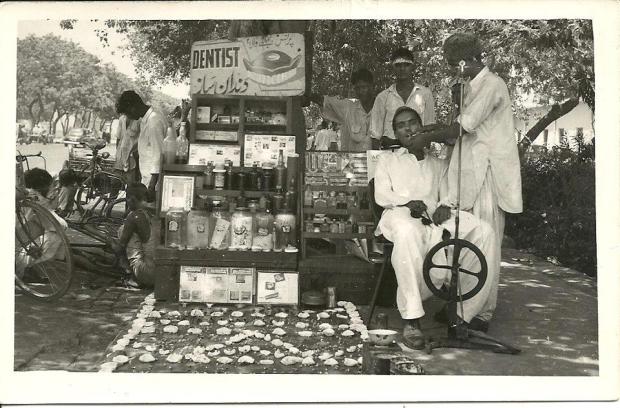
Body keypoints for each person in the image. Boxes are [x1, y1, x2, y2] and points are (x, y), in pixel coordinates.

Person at [412, 33, 523, 330]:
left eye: (451, 64)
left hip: (486, 176)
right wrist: (437, 121)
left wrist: (423, 136)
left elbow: (460, 129)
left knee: (486, 245)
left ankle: (479, 313)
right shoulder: (469, 87)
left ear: (463, 60)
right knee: (462, 241)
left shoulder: (492, 85)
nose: (451, 70)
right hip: (466, 175)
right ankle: (458, 304)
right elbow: (454, 126)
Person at [374, 106, 498, 349]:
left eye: (412, 123)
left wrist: (444, 204)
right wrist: (406, 202)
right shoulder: (387, 160)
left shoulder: (437, 163)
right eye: (401, 125)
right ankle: (412, 318)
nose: (408, 128)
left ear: (422, 127)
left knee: (484, 231)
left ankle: (462, 313)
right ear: (396, 134)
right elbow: (381, 194)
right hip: (399, 213)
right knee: (408, 234)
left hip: (433, 216)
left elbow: (446, 194)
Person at [370, 47, 436, 149]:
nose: (402, 69)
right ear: (393, 68)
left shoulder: (425, 94)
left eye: (406, 65)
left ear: (413, 67)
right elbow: (375, 136)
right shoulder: (383, 97)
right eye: (398, 65)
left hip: (417, 153)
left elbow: (429, 127)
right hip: (391, 153)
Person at [15, 168, 70, 277]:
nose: (52, 188)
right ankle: (22, 268)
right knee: (57, 233)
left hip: (26, 234)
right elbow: (59, 224)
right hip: (21, 240)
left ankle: (25, 267)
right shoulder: (35, 199)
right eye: (49, 186)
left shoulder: (33, 198)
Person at [115, 91, 167, 201]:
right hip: (147, 179)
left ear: (133, 107)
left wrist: (151, 187)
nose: (129, 117)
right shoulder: (145, 119)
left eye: (128, 113)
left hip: (153, 184)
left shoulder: (154, 121)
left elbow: (158, 155)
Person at [310, 68, 375, 152]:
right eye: (357, 88)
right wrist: (306, 94)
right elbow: (325, 101)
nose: (360, 91)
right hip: (353, 163)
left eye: (364, 87)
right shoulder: (348, 107)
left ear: (372, 86)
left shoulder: (382, 107)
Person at [108, 183, 155, 288]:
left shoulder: (134, 217)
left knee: (123, 233)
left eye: (127, 199)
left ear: (131, 199)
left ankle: (130, 274)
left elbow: (120, 247)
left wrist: (111, 243)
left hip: (146, 273)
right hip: (161, 271)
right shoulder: (153, 211)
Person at [113, 112, 141, 184]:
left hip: (133, 157)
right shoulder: (122, 119)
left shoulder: (139, 120)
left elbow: (141, 139)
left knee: (130, 183)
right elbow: (118, 138)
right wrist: (118, 154)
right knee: (115, 181)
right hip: (120, 155)